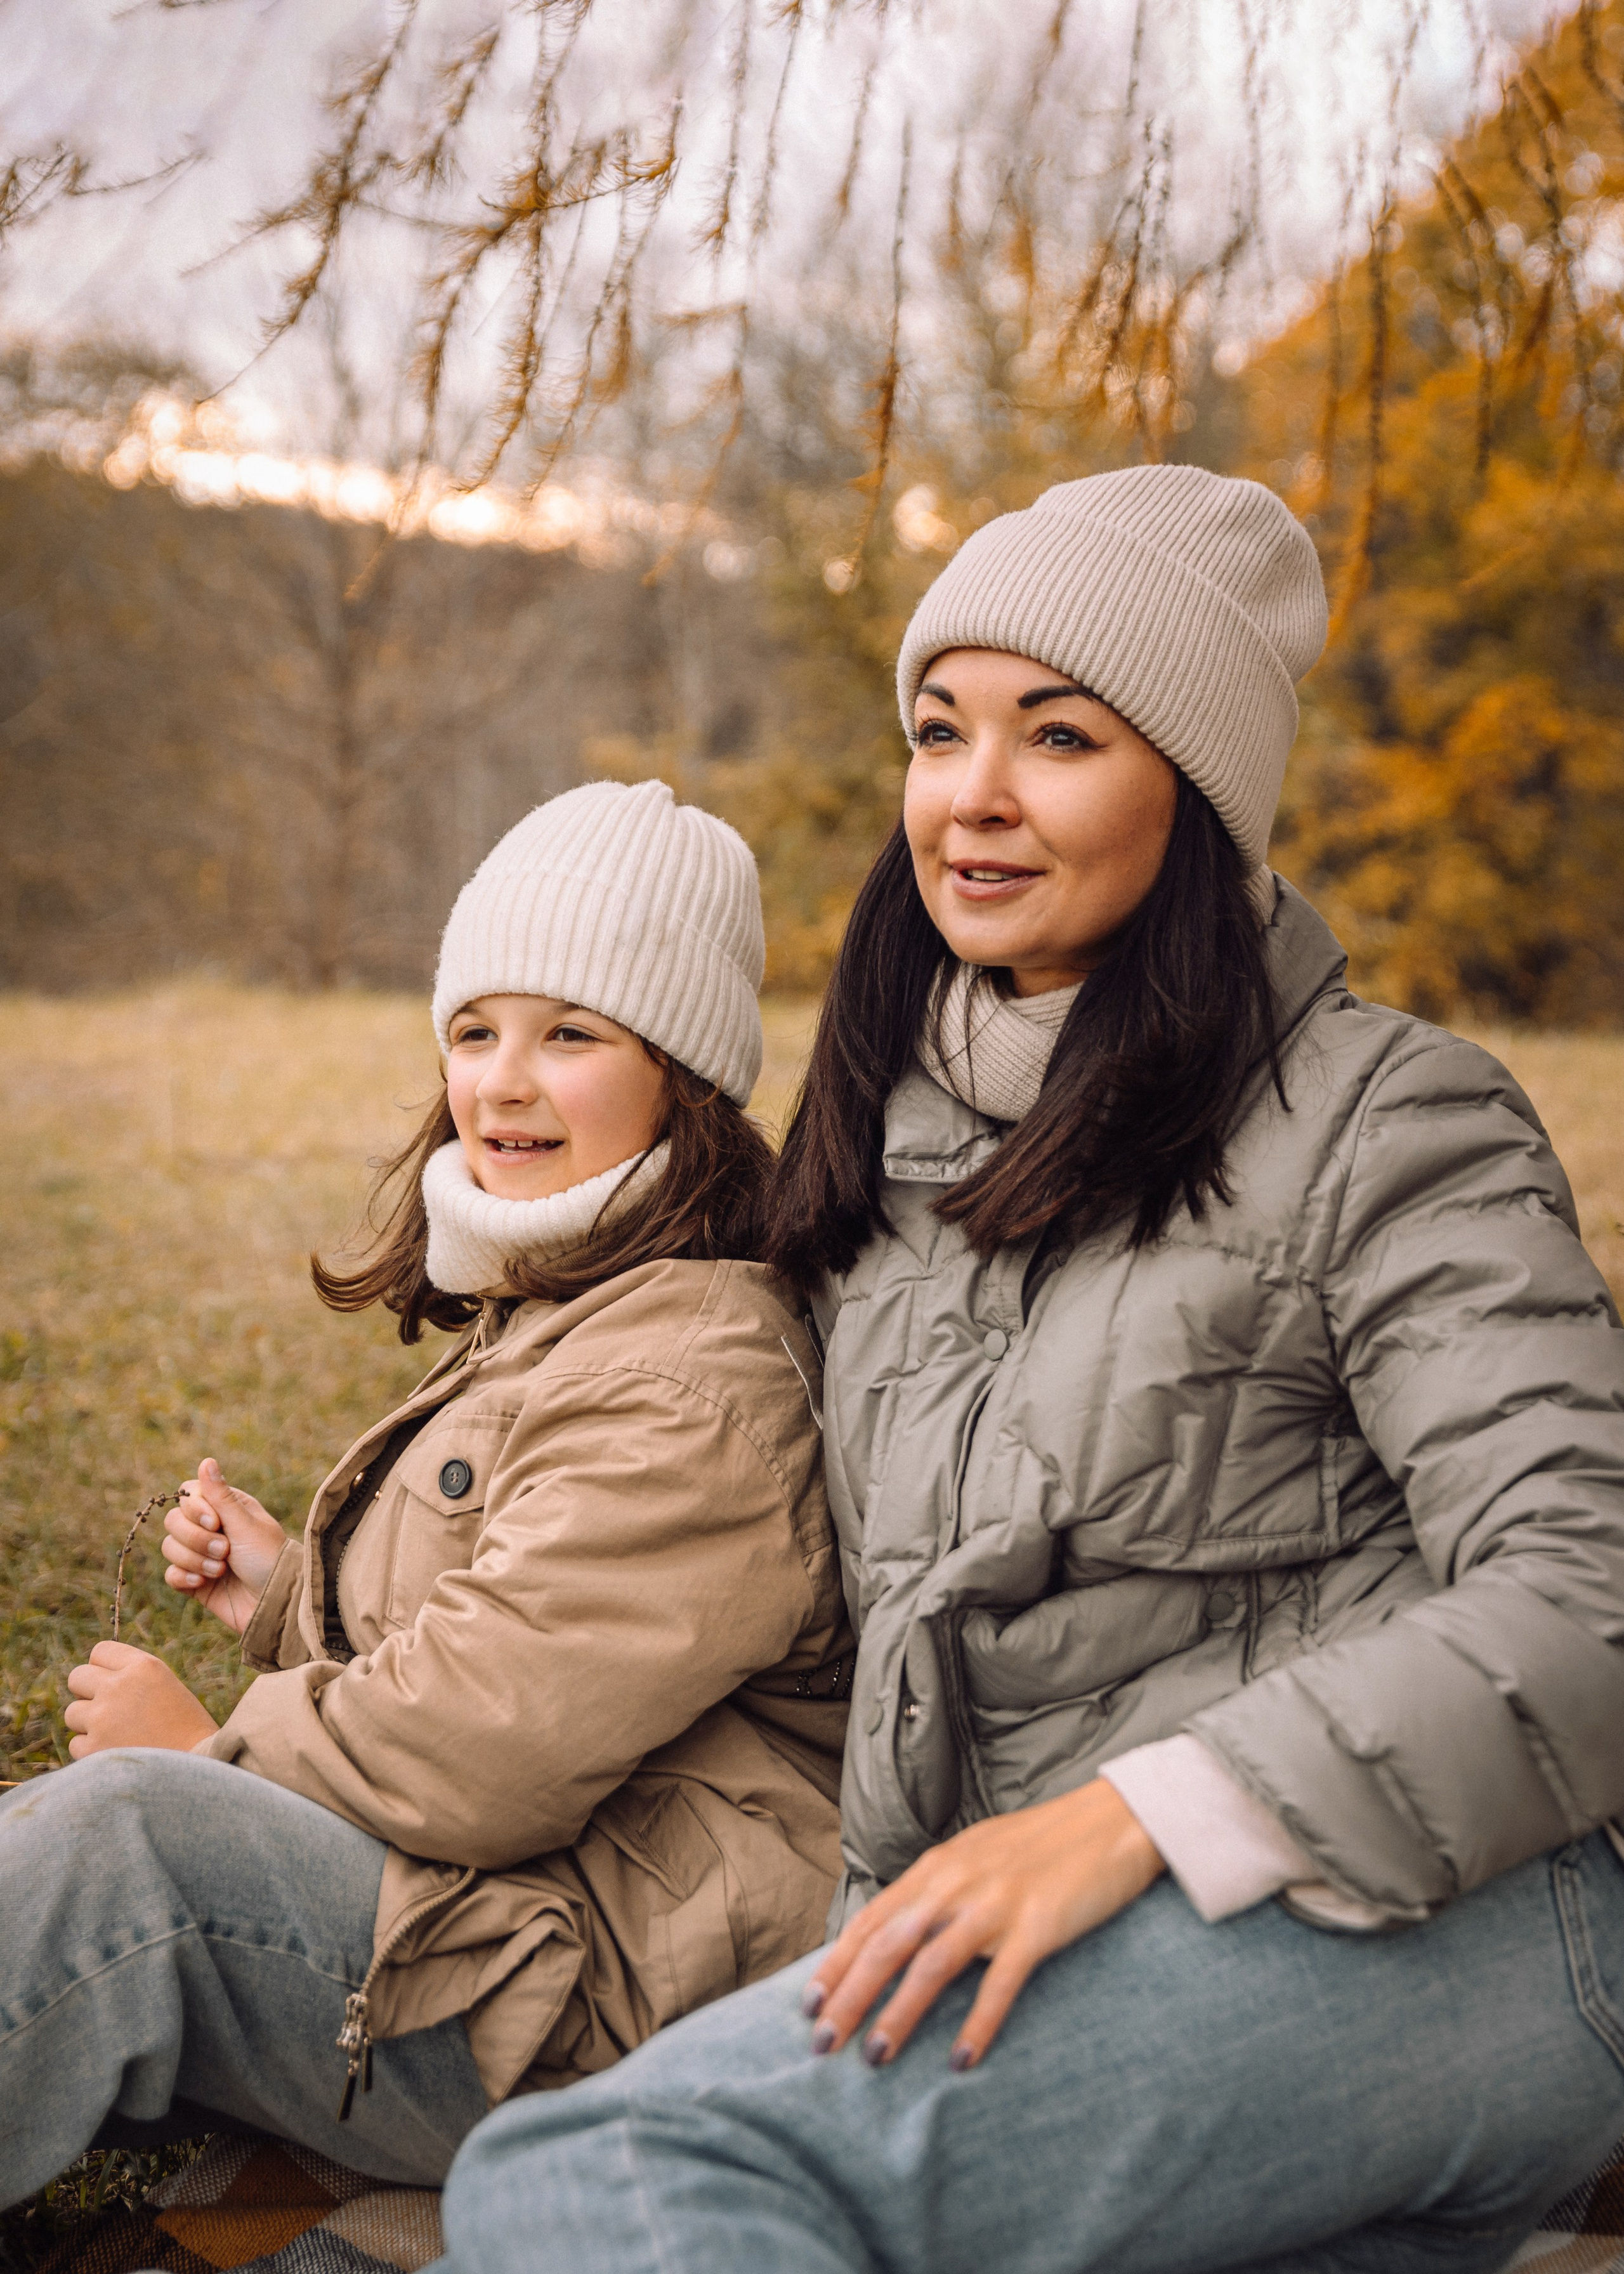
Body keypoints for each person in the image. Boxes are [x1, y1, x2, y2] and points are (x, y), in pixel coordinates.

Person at [435, 468, 1624, 2274]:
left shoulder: (1393, 1117)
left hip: (1454, 1900)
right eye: (938, 729)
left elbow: (1594, 1587)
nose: (972, 792)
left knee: (596, 2181)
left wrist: (1151, 1812)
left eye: (1057, 735)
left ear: (1196, 792)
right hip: (1029, 1950)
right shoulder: (890, 1162)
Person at [0, 778, 852, 2209]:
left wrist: (215, 1748)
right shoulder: (590, 1306)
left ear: (682, 1079)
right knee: (51, 1843)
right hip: (510, 1924)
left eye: (568, 1033)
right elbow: (521, 1625)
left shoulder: (691, 1379)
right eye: (475, 1029)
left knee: (121, 1844)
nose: (502, 1079)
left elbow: (478, 1750)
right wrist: (288, 1597)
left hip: (596, 2015)